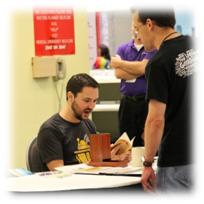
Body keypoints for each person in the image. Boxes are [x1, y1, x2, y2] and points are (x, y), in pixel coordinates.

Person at [133, 9, 194, 191]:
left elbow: (156, 120)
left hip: (177, 160)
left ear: (149, 24)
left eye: (138, 29)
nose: (138, 37)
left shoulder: (159, 63)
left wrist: (147, 163)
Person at [32, 73, 130, 172]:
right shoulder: (50, 130)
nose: (91, 106)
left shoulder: (88, 124)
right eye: (86, 100)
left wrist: (113, 157)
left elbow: (98, 161)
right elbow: (59, 172)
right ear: (70, 97)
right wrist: (91, 165)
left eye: (95, 101)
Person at [111, 14, 156, 146]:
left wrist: (121, 63)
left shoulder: (151, 48)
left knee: (147, 138)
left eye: (138, 27)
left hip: (146, 102)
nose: (136, 30)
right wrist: (139, 69)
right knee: (126, 141)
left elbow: (143, 68)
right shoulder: (123, 48)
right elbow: (118, 73)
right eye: (134, 27)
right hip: (128, 102)